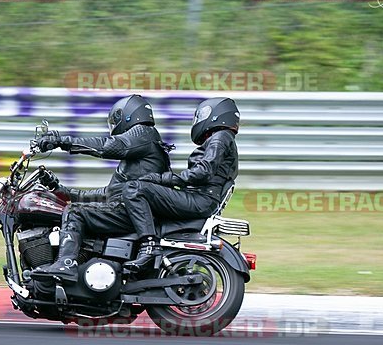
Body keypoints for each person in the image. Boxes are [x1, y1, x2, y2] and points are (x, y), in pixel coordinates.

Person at [31, 94, 172, 278]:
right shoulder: (140, 150)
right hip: (129, 210)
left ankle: (65, 264)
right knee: (76, 207)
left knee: (74, 212)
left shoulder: (143, 133)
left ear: (126, 116)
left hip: (130, 212)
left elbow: (107, 146)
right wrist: (62, 191)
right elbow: (107, 193)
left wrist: (62, 141)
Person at [122, 97, 240, 271]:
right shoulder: (222, 139)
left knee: (134, 189)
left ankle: (149, 247)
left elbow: (203, 172)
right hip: (202, 199)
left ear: (216, 115)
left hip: (199, 200)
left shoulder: (220, 137)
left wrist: (162, 178)